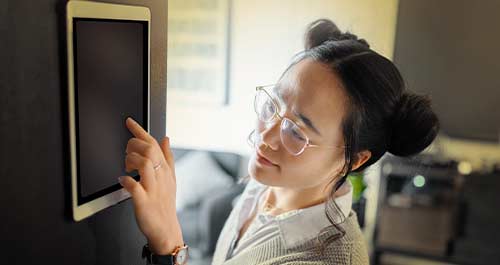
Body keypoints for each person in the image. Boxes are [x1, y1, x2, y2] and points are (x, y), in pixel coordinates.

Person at [118, 19, 440, 265]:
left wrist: (169, 243)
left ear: (353, 159)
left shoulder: (328, 259)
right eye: (273, 105)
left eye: (298, 132)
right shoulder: (265, 184)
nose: (266, 136)